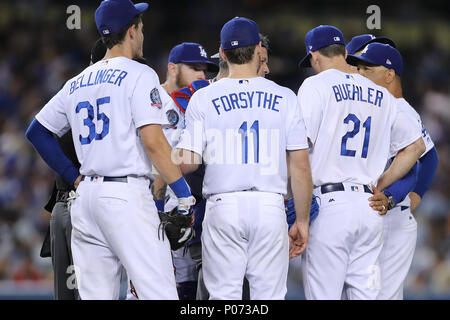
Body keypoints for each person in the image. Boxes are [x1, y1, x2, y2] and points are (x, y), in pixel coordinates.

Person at [25, 0, 195, 299]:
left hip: (86, 199)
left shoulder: (76, 82)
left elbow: (37, 132)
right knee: (161, 294)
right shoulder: (139, 74)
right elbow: (154, 143)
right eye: (140, 28)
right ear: (132, 30)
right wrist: (184, 195)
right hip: (125, 196)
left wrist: (73, 177)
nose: (142, 35)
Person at [176, 17, 313, 300]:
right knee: (269, 298)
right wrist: (301, 220)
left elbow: (186, 161)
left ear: (222, 54)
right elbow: (299, 166)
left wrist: (157, 154)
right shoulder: (285, 97)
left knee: (224, 297)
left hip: (223, 206)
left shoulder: (204, 98)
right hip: (269, 206)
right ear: (259, 50)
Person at [297, 25, 425, 300]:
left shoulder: (315, 85)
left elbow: (298, 150)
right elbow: (416, 146)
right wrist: (379, 183)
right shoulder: (380, 93)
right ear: (344, 53)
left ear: (314, 57)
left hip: (328, 206)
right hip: (368, 209)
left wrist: (298, 212)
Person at [347, 43, 439, 299]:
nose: (360, 73)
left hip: (389, 213)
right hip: (369, 211)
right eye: (358, 67)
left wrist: (410, 195)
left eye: (367, 68)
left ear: (389, 74)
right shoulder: (373, 106)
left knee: (382, 294)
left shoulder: (398, 108)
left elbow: (426, 155)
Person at [149, 42, 217, 300]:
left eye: (205, 70)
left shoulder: (200, 103)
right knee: (152, 283)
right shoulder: (150, 99)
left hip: (189, 206)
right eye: (194, 68)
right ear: (173, 68)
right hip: (154, 200)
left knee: (188, 281)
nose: (201, 75)